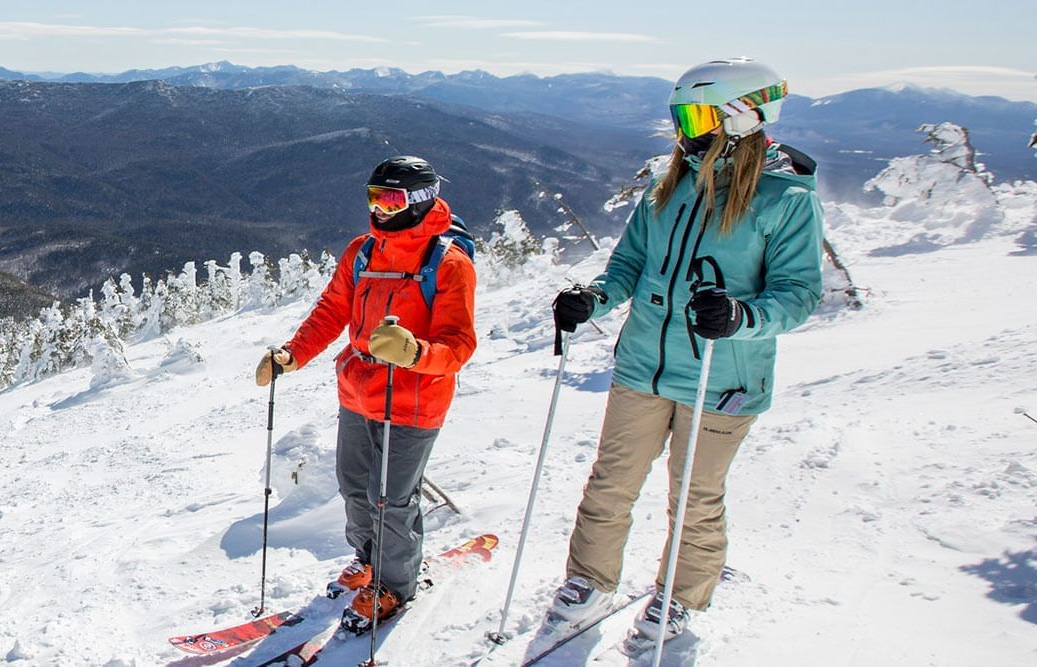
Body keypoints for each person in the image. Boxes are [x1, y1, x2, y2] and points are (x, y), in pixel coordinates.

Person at [546, 58, 825, 643]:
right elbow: (628, 265)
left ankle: (679, 596)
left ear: (744, 117)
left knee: (695, 497)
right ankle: (590, 580)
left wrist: (741, 316)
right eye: (682, 115)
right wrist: (593, 299)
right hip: (643, 365)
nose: (686, 130)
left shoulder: (784, 199)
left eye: (699, 115)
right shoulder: (667, 185)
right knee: (611, 480)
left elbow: (798, 295)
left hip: (723, 378)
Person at [254, 156, 477, 631]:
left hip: (415, 400)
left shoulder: (448, 263)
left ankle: (395, 585)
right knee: (355, 486)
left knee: (392, 498)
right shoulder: (362, 252)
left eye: (391, 199)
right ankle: (370, 559)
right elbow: (332, 310)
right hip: (358, 391)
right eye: (374, 197)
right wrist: (293, 354)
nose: (379, 208)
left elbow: (459, 346)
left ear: (419, 202)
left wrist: (414, 351)